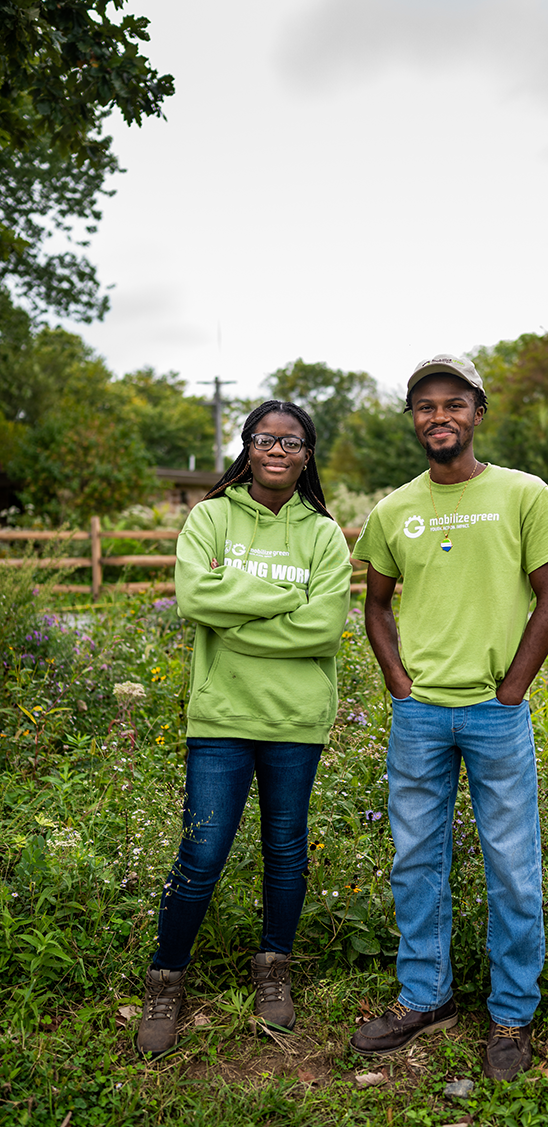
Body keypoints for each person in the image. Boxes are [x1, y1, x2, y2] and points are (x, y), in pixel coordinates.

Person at [349, 354, 548, 1081]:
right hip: (420, 718)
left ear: (478, 412)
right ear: (413, 419)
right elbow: (376, 603)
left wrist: (512, 689)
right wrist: (399, 682)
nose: (439, 416)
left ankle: (512, 1013)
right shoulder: (394, 509)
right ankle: (426, 997)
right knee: (416, 860)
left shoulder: (523, 494)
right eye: (425, 405)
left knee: (512, 867)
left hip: (494, 714)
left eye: (454, 403)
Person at [136, 400, 351, 1059]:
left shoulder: (322, 534)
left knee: (286, 849)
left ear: (308, 455)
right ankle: (166, 979)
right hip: (222, 716)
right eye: (266, 439)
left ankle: (274, 966)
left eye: (293, 442)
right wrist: (287, 598)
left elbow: (325, 626)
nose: (279, 450)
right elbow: (195, 599)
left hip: (295, 720)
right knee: (201, 852)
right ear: (249, 447)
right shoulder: (211, 518)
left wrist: (240, 618)